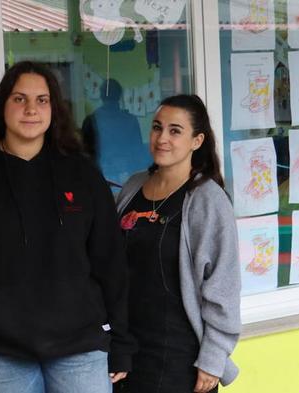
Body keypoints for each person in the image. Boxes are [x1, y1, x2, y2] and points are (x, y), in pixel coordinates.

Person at [0, 61, 136, 393]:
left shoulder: (82, 175)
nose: (31, 109)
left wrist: (121, 343)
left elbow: (110, 264)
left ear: (54, 109)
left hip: (80, 347)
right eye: (19, 99)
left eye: (42, 100)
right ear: (3, 106)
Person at [115, 95, 241, 393]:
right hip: (129, 348)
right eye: (157, 128)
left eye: (175, 130)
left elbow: (223, 287)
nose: (162, 138)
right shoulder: (133, 187)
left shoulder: (207, 199)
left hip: (179, 356)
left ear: (197, 141)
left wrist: (212, 358)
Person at [81, 78, 150, 188]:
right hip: (127, 176)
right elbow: (138, 152)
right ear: (120, 96)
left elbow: (86, 155)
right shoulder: (130, 120)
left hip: (102, 177)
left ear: (101, 95)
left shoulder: (92, 120)